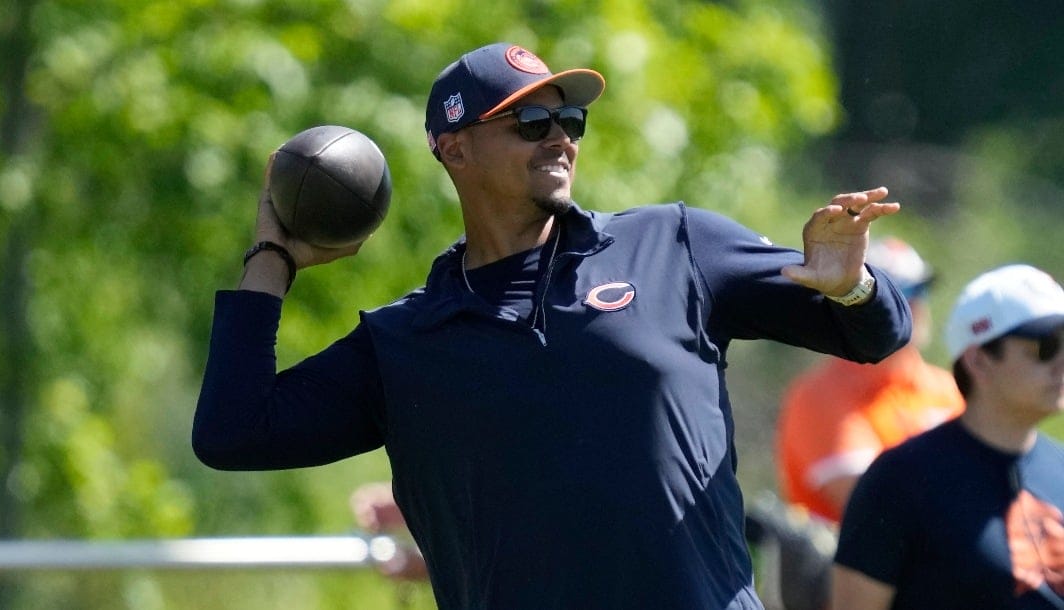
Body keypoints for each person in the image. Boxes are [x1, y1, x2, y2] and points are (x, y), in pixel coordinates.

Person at [192, 42, 912, 610]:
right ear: (454, 148)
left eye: (570, 120)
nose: (560, 139)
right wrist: (272, 260)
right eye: (531, 122)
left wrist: (854, 287)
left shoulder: (675, 246)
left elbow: (876, 336)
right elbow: (232, 434)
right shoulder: (405, 343)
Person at [832, 263, 1064, 609]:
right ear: (979, 360)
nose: (1061, 362)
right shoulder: (901, 480)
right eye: (1044, 347)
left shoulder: (1059, 467)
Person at [776, 236, 965, 525]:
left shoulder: (946, 387)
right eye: (900, 293)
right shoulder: (820, 396)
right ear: (854, 306)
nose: (914, 305)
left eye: (920, 291)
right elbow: (876, 508)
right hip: (842, 569)